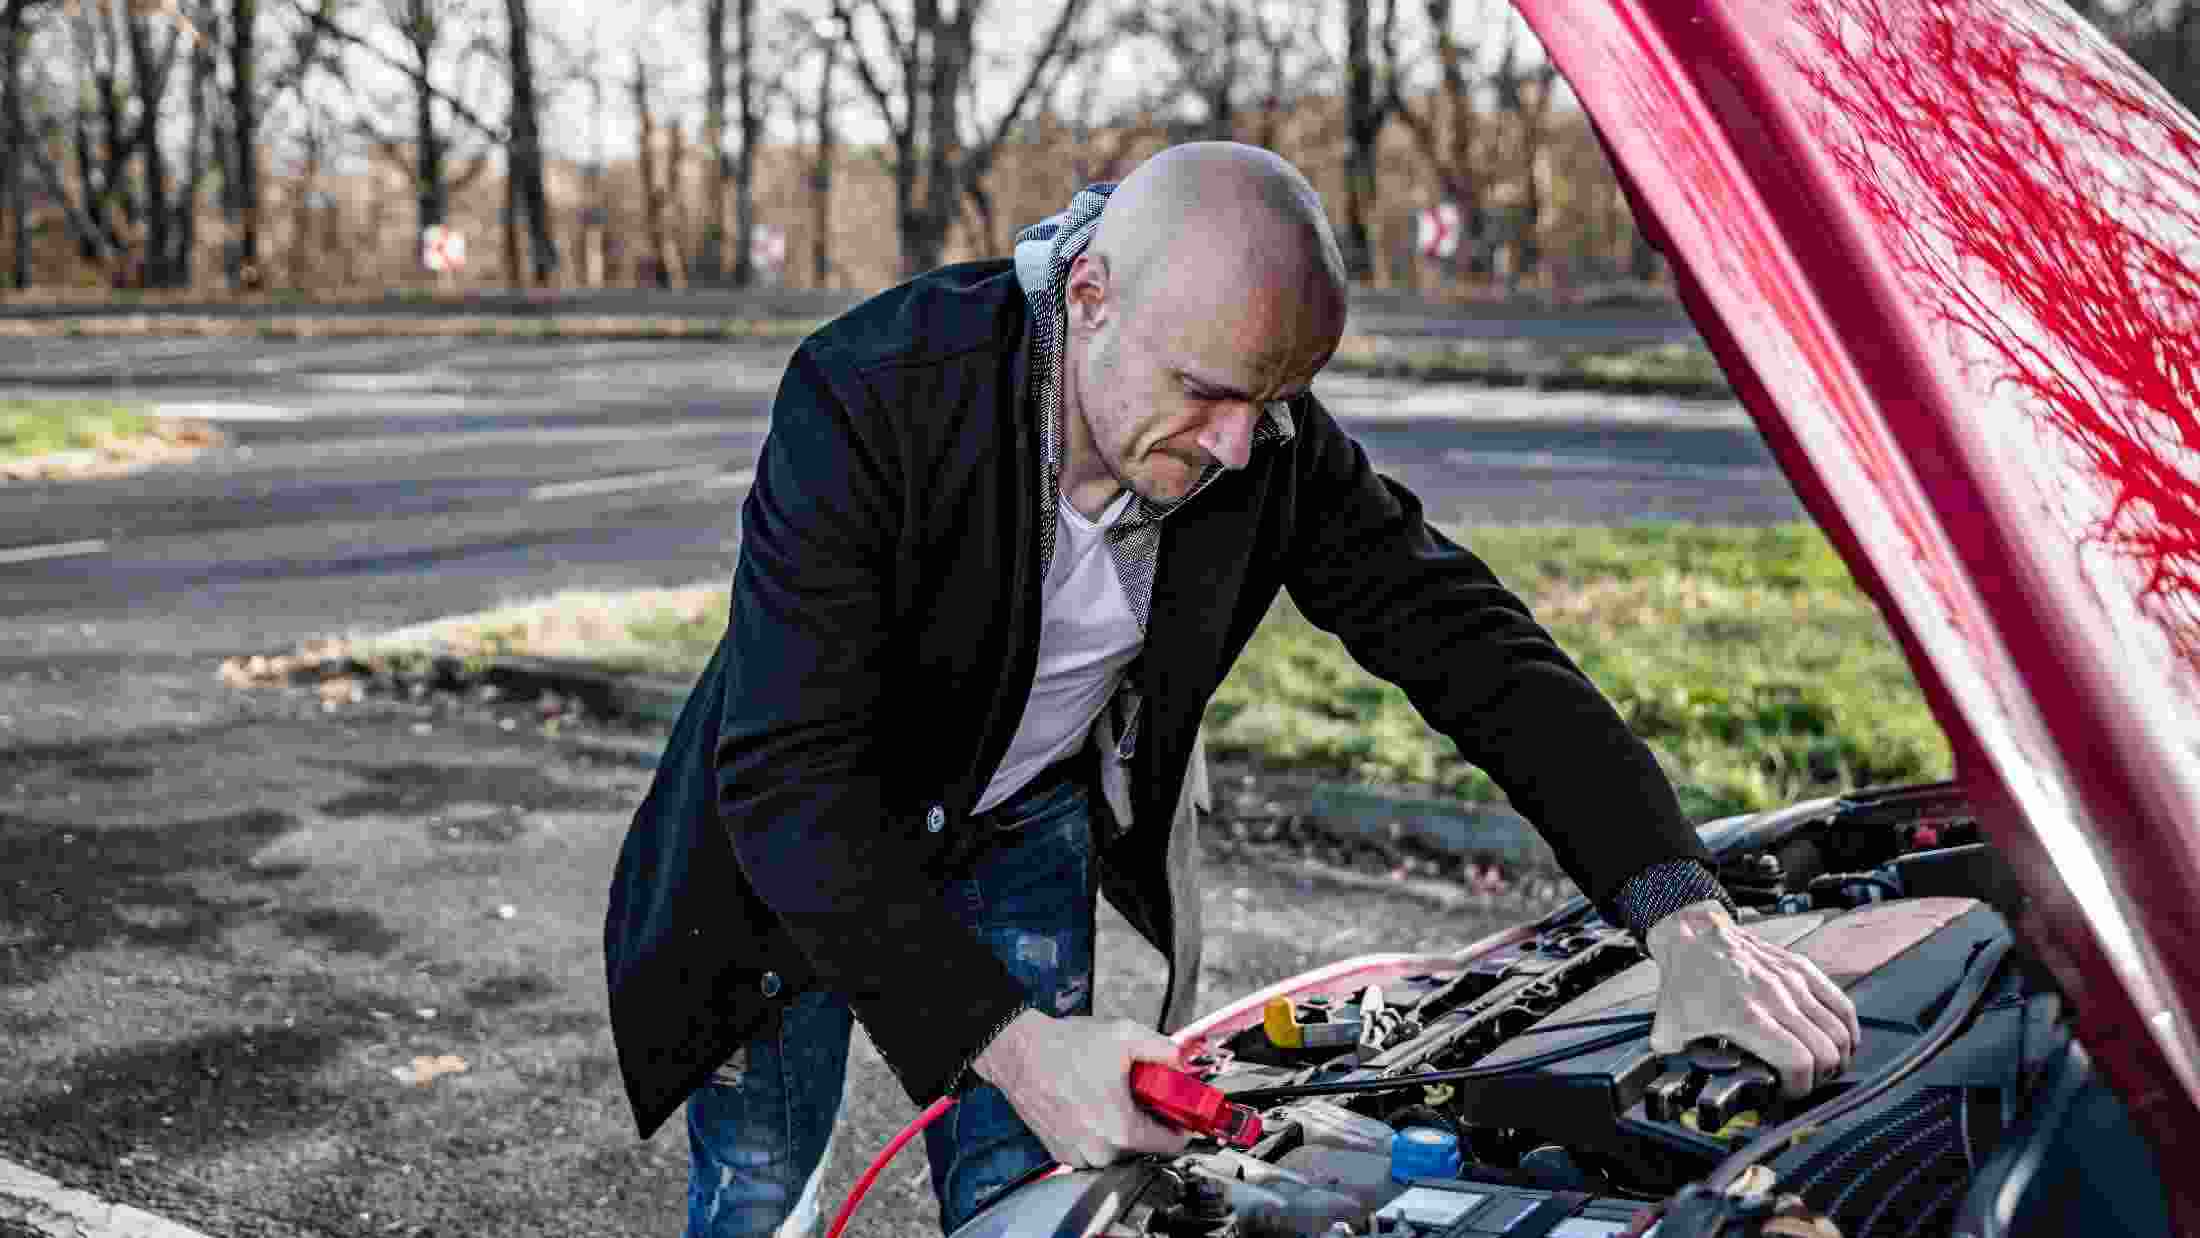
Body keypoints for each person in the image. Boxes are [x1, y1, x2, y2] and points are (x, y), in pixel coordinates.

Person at [603, 142, 1862, 1238]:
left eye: (1270, 401)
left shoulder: (1263, 442)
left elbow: (1471, 647)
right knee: (765, 1181)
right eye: (1204, 391)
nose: (1233, 447)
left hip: (1019, 822)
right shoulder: (874, 392)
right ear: (1088, 294)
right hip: (802, 845)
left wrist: (1684, 919)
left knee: (1040, 1176)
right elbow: (786, 782)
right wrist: (1014, 1041)